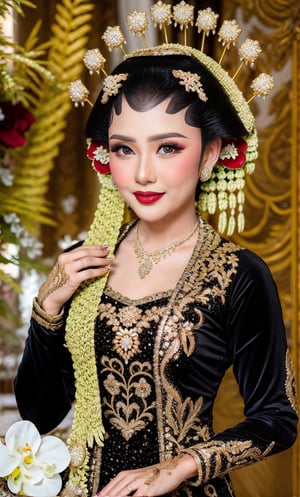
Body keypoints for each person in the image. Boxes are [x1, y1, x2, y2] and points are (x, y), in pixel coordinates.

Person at [14, 5, 297, 497]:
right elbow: (38, 415)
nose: (143, 173)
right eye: (124, 149)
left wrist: (180, 467)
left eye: (167, 147)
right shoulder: (84, 262)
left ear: (210, 153)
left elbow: (278, 417)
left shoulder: (239, 275)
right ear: (105, 157)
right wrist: (49, 309)